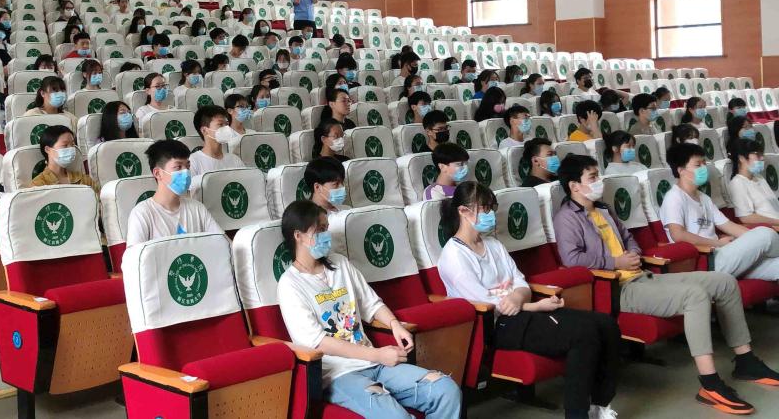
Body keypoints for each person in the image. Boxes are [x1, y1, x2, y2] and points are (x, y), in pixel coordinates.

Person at [555, 154, 778, 413]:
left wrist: (633, 254)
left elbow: (628, 239)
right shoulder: (566, 218)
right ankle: (709, 384)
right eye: (592, 177)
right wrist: (615, 262)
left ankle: (746, 361)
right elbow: (572, 260)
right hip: (617, 288)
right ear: (574, 186)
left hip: (641, 275)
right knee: (695, 296)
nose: (599, 182)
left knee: (724, 282)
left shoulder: (604, 209)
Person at [438, 181, 619, 419]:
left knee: (606, 324)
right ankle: (577, 414)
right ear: (463, 211)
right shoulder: (453, 255)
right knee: (583, 334)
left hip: (522, 312)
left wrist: (517, 296)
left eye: (491, 208)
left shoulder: (493, 244)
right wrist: (533, 305)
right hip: (495, 326)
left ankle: (599, 405)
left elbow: (520, 282)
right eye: (484, 208)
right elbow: (487, 303)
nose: (490, 214)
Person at [278, 200, 462, 419]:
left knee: (446, 390)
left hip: (375, 362)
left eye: (326, 228)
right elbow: (318, 342)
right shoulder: (290, 285)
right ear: (298, 236)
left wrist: (394, 324)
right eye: (320, 230)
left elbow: (372, 304)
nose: (326, 235)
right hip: (338, 374)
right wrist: (377, 354)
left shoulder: (340, 264)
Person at [661, 142, 779, 283]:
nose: (704, 168)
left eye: (704, 163)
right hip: (706, 261)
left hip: (724, 254)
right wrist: (718, 243)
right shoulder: (674, 197)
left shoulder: (704, 198)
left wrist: (752, 238)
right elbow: (678, 235)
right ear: (681, 170)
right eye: (698, 165)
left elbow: (729, 226)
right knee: (765, 234)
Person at [125, 139, 223, 245]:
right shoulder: (142, 214)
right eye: (178, 167)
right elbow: (135, 255)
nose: (186, 172)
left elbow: (223, 244)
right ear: (158, 173)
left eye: (188, 166)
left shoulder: (197, 208)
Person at [30, 125, 97, 193]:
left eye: (72, 144)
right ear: (48, 149)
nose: (71, 149)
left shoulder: (85, 180)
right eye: (65, 145)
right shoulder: (38, 185)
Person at [728, 138, 779, 225]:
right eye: (757, 155)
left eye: (762, 154)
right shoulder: (737, 183)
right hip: (770, 227)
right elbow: (746, 218)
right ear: (742, 158)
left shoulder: (759, 177)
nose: (762, 158)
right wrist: (777, 222)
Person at [189, 105, 244, 178]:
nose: (226, 128)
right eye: (220, 124)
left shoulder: (235, 160)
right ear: (204, 130)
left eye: (227, 124)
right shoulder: (193, 161)